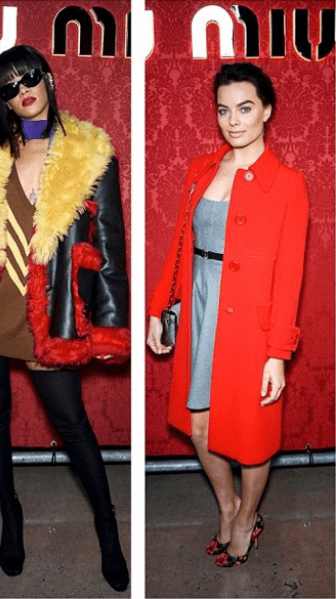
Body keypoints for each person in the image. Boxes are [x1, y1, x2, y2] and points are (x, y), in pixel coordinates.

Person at [0, 45, 130, 591]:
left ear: (47, 77)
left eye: (28, 78)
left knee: (72, 425)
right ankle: (11, 517)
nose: (21, 90)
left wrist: (111, 324)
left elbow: (110, 245)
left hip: (50, 315)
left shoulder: (90, 154)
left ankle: (108, 528)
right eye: (7, 87)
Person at [147, 62, 308, 567]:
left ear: (267, 110)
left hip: (250, 323)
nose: (233, 120)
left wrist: (278, 353)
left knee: (252, 436)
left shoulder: (287, 184)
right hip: (199, 308)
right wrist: (160, 308)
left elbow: (290, 276)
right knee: (199, 427)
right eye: (223, 109)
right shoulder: (200, 168)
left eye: (244, 108)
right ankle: (228, 507)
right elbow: (180, 245)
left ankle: (246, 520)